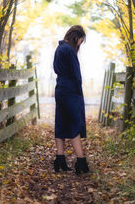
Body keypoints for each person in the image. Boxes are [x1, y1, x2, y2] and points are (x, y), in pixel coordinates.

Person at [53, 25, 89, 174]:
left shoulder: (59, 49)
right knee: (75, 124)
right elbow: (76, 75)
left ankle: (60, 159)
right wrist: (79, 92)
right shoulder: (69, 50)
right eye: (81, 40)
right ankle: (81, 162)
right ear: (77, 38)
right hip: (71, 92)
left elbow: (55, 69)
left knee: (61, 122)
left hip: (60, 89)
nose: (80, 44)